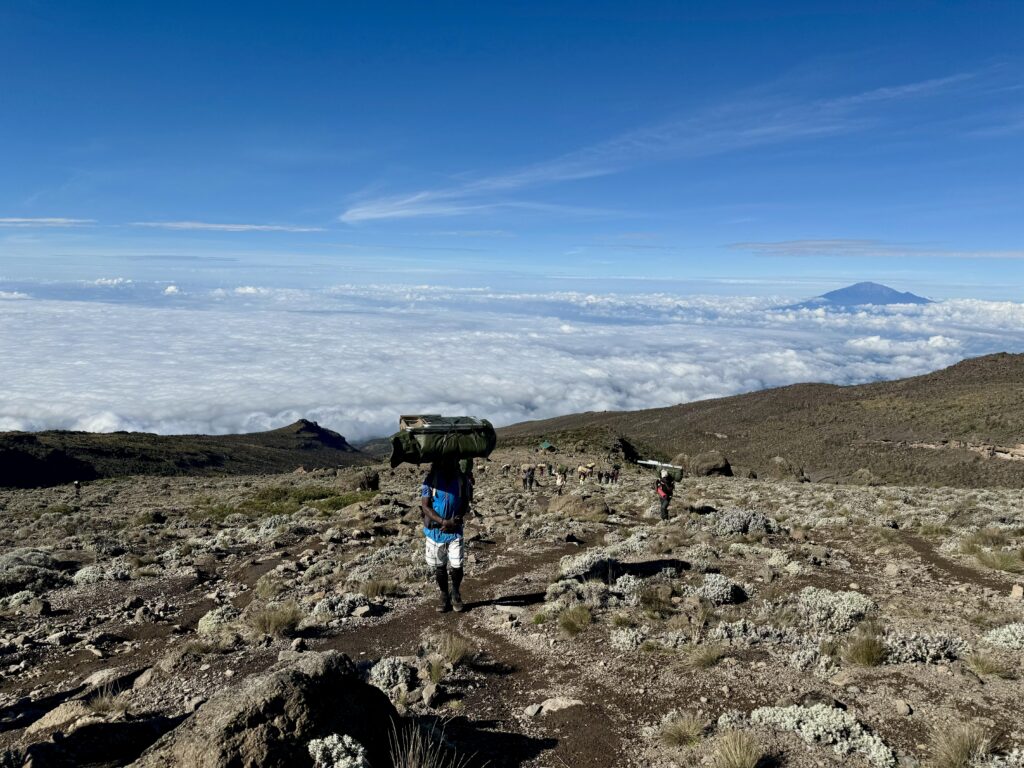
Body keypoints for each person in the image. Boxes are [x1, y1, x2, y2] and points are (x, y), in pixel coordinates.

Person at [421, 460, 471, 612]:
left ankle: (455, 592)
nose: (449, 464)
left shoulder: (462, 480)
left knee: (457, 565)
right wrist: (443, 521)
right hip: (436, 532)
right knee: (440, 566)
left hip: (455, 531)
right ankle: (444, 594)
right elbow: (425, 506)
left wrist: (455, 520)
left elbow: (465, 503)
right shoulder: (430, 480)